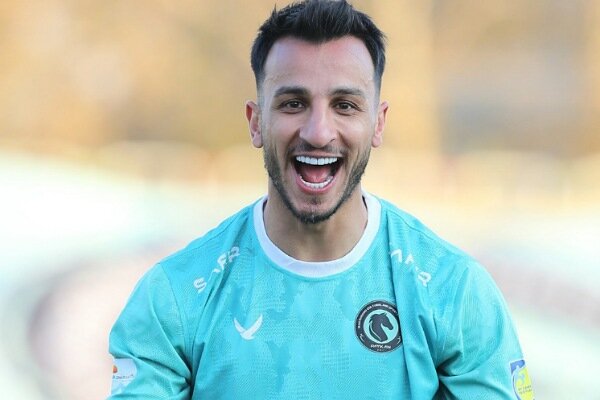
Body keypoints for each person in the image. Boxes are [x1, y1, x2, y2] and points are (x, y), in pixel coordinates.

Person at [108, 1, 534, 399]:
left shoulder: (455, 291)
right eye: (293, 104)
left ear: (378, 123)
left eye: (344, 105)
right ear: (256, 122)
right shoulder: (174, 297)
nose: (318, 132)